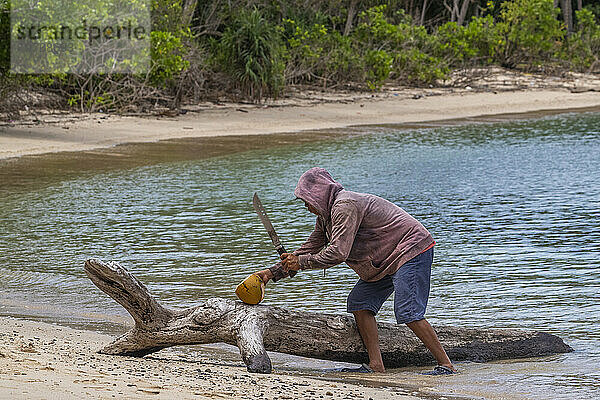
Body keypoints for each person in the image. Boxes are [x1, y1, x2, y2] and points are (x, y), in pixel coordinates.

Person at [255, 167, 456, 375]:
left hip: (410, 249)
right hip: (383, 260)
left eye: (307, 201)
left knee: (408, 311)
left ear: (319, 194)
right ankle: (376, 365)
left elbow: (338, 253)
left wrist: (302, 262)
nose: (307, 207)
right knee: (360, 303)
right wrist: (271, 273)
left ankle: (446, 365)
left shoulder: (344, 206)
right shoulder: (326, 216)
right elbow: (310, 247)